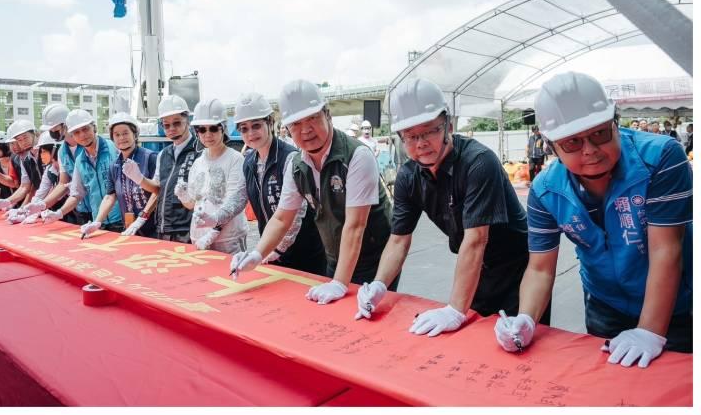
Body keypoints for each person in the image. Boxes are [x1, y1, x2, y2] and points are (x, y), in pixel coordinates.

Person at [496, 72, 692, 365]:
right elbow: (540, 268)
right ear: (551, 145)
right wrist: (526, 317)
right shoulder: (545, 190)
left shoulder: (661, 158)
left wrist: (650, 331)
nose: (590, 151)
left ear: (615, 122)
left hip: (676, 305)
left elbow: (666, 249)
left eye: (599, 133)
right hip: (604, 304)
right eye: (572, 142)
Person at [355, 78, 531, 334]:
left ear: (449, 123)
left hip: (518, 271)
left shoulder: (479, 163)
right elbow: (398, 240)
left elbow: (476, 240)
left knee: (518, 342)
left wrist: (455, 309)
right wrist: (380, 284)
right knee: (474, 339)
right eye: (411, 136)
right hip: (477, 270)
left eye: (430, 131)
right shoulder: (408, 176)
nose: (421, 143)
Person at [231, 80, 393, 302]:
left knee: (370, 321)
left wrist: (339, 282)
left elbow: (355, 226)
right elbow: (281, 218)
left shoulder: (357, 156)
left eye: (312, 118)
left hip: (372, 258)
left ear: (327, 115)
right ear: (287, 128)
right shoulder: (297, 165)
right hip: (335, 256)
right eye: (295, 124)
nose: (305, 130)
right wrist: (257, 254)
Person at [234, 92, 327, 274]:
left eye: (256, 126)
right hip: (271, 254)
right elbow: (240, 197)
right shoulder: (249, 162)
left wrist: (276, 250)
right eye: (244, 129)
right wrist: (214, 221)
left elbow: (296, 214)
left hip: (304, 255)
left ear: (270, 122)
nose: (251, 134)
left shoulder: (290, 158)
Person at [125, 94, 202, 240]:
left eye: (177, 123)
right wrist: (140, 179)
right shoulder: (163, 154)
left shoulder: (200, 152)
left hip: (189, 229)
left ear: (188, 120)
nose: (172, 128)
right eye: (166, 125)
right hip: (163, 227)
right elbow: (157, 189)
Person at [176, 98, 248, 253]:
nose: (208, 134)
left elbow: (233, 204)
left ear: (223, 129)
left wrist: (212, 233)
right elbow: (193, 203)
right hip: (198, 237)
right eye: (202, 129)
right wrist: (183, 196)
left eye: (213, 128)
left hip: (228, 240)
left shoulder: (235, 159)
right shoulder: (198, 162)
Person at [40, 109, 124, 231]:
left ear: (94, 127)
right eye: (76, 132)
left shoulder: (114, 148)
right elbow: (76, 194)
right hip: (98, 222)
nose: (82, 135)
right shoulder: (80, 161)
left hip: (121, 219)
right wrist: (59, 213)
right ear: (72, 135)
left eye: (85, 129)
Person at [79, 113, 157, 237]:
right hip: (129, 229)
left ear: (135, 134)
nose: (121, 138)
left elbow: (158, 191)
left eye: (125, 133)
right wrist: (97, 221)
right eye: (117, 135)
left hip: (154, 229)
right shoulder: (114, 166)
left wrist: (142, 217)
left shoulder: (150, 158)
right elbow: (110, 196)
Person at [0, 119, 43, 217]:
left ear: (35, 134)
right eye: (18, 140)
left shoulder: (46, 152)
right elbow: (25, 187)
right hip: (41, 204)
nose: (23, 142)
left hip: (55, 202)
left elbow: (44, 186)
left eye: (25, 138)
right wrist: (7, 202)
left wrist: (24, 208)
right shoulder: (25, 159)